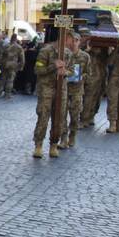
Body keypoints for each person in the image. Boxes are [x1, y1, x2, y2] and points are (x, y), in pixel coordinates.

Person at [31, 23, 75, 157]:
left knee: (59, 118)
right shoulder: (46, 51)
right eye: (70, 38)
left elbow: (73, 71)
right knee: (43, 116)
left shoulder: (68, 53)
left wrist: (65, 72)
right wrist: (53, 66)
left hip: (61, 89)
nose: (72, 42)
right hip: (46, 89)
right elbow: (37, 70)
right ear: (64, 37)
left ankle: (53, 144)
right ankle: (38, 145)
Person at [58, 30, 91, 149]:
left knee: (75, 115)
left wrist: (82, 76)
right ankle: (63, 138)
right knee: (62, 115)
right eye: (70, 40)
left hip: (77, 90)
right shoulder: (63, 54)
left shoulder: (85, 56)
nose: (72, 43)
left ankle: (72, 135)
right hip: (63, 89)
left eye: (75, 41)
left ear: (78, 41)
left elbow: (89, 73)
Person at [0, 33, 24, 97]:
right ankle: (7, 94)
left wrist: (1, 63)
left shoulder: (5, 45)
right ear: (16, 39)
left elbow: (1, 55)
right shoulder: (19, 47)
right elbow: (22, 58)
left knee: (3, 78)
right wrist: (21, 66)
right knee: (10, 79)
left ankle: (0, 91)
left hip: (5, 64)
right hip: (13, 65)